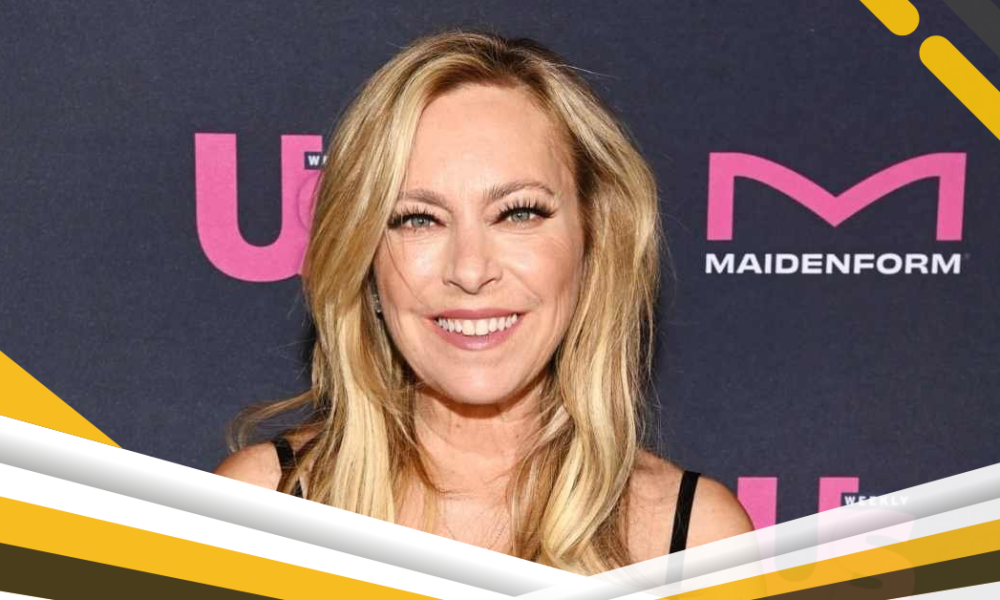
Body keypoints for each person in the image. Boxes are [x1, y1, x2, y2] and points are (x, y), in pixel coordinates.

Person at [214, 29, 753, 574]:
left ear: (593, 240)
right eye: (417, 219)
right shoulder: (255, 515)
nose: (470, 271)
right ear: (365, 262)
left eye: (519, 213)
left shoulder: (696, 542)